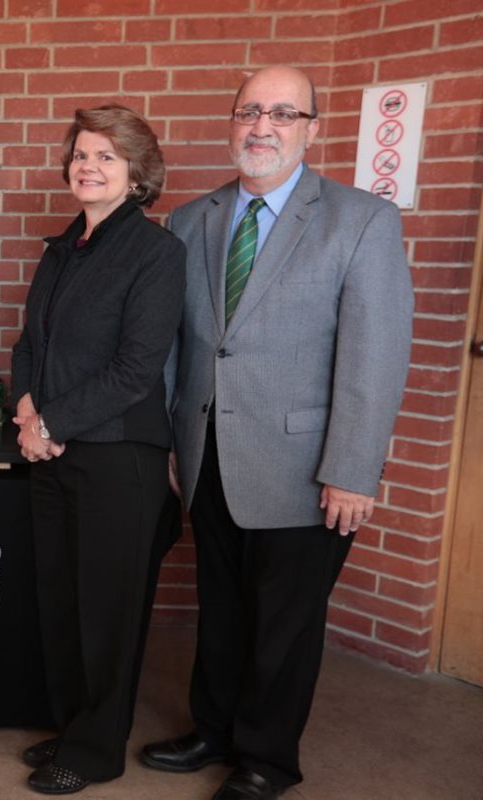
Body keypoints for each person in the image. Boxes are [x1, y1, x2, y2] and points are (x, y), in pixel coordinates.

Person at [140, 66, 414, 800]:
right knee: (222, 609)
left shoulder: (360, 220)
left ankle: (266, 759)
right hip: (209, 456)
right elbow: (179, 348)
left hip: (308, 465)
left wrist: (354, 469)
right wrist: (174, 442)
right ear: (231, 123)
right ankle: (214, 731)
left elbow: (375, 354)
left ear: (312, 129)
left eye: (283, 114)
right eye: (249, 112)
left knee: (284, 627)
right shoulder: (193, 219)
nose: (262, 127)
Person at [11, 105, 186, 795]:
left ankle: (98, 749)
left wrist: (49, 423)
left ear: (137, 173)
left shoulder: (156, 254)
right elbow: (30, 344)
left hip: (120, 458)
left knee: (107, 611)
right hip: (52, 450)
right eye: (82, 154)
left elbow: (135, 368)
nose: (89, 166)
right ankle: (74, 726)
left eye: (107, 157)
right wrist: (26, 410)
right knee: (62, 600)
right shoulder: (60, 249)